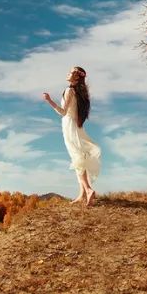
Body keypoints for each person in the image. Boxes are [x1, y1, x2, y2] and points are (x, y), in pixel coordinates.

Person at [43, 66, 102, 207]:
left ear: (76, 77)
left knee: (77, 158)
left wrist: (49, 100)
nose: (67, 73)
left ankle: (88, 190)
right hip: (76, 126)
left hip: (69, 126)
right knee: (80, 157)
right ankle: (82, 194)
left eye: (70, 72)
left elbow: (63, 112)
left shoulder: (69, 90)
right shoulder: (78, 92)